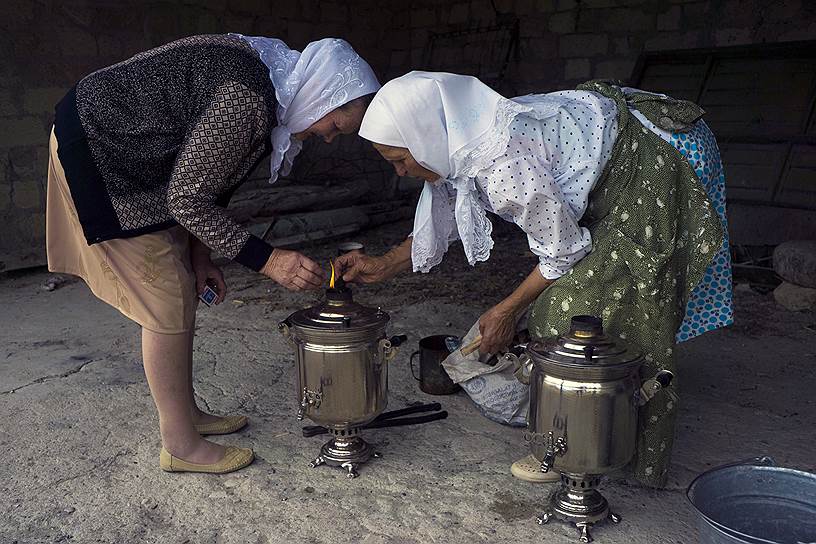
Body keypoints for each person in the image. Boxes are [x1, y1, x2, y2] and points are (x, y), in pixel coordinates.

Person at [335, 72, 733, 488]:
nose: (400, 172)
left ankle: (592, 444)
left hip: (655, 158)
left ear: (426, 136)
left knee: (577, 310)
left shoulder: (502, 165)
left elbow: (562, 250)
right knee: (577, 302)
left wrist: (506, 310)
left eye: (400, 159)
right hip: (612, 140)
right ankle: (583, 424)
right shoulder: (459, 142)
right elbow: (450, 211)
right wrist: (383, 264)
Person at [46, 34, 380, 474]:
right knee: (164, 298)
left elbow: (211, 183)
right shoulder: (245, 101)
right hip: (101, 150)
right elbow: (186, 198)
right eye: (336, 125)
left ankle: (186, 414)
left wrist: (202, 258)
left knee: (182, 283)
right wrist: (268, 259)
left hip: (130, 150)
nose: (331, 139)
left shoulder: (270, 89)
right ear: (321, 96)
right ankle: (180, 444)